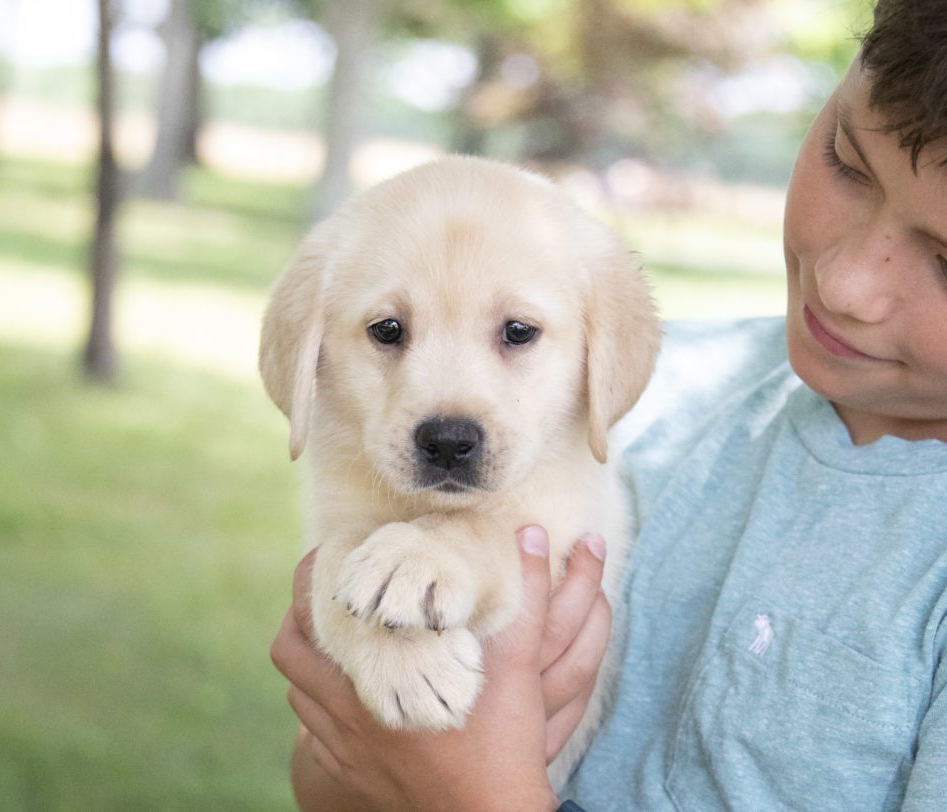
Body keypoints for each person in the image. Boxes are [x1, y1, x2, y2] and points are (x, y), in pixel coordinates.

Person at [270, 0, 947, 808]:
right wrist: (360, 685)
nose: (843, 283)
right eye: (848, 163)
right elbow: (339, 774)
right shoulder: (652, 394)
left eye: (946, 260)